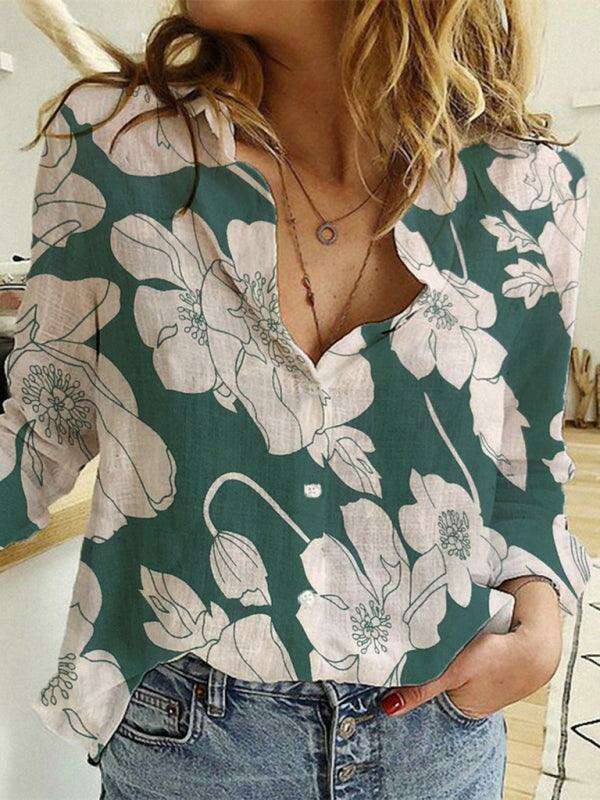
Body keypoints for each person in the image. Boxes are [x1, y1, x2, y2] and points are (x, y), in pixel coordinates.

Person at [0, 1, 591, 798]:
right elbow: (39, 436)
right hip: (189, 742)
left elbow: (527, 472)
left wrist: (542, 621)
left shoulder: (530, 186)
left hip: (439, 737)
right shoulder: (115, 145)